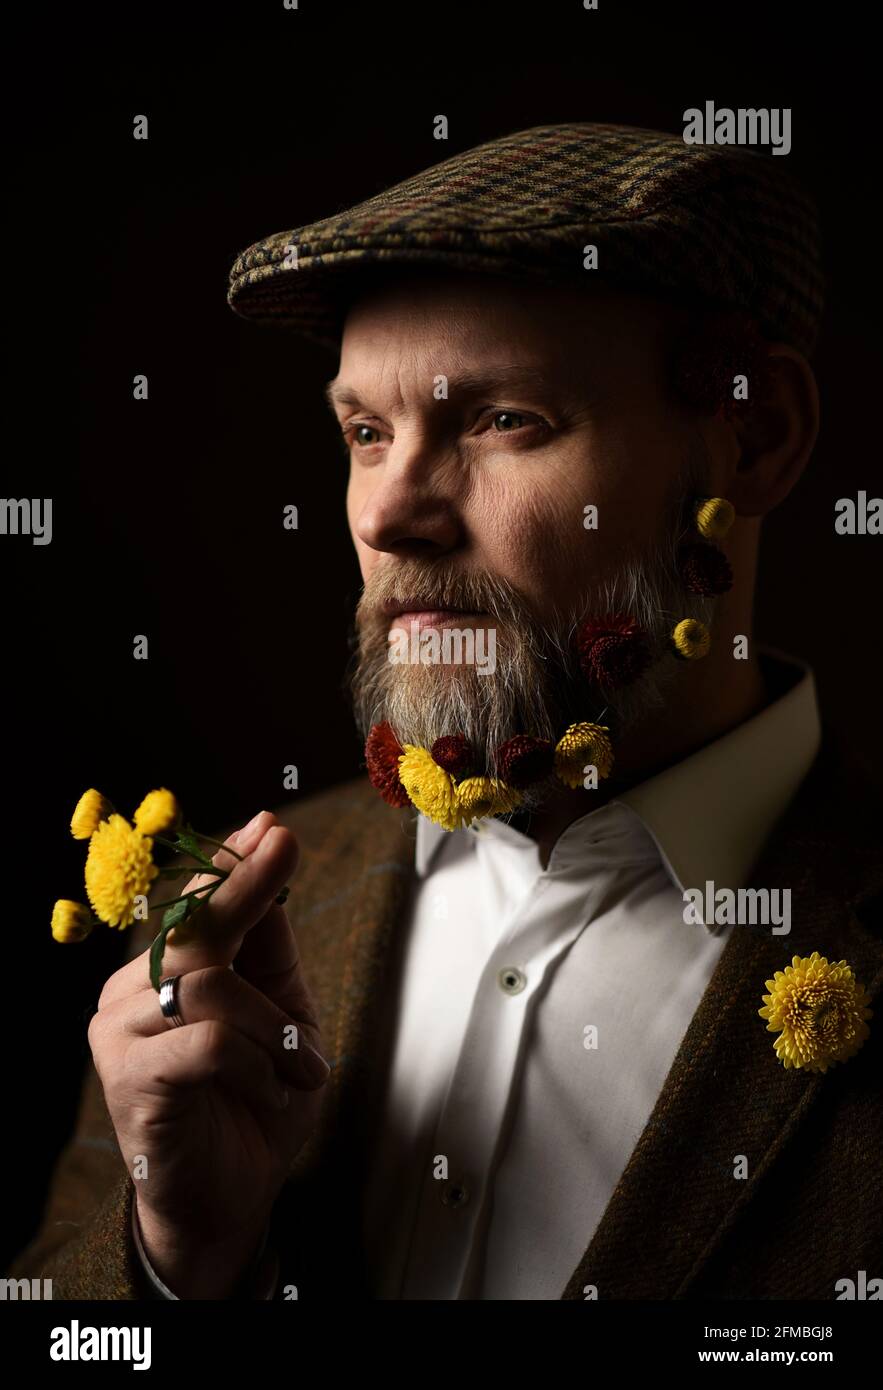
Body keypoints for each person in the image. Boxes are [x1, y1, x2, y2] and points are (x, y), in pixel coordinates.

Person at [9, 122, 881, 1300]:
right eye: (366, 433)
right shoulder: (215, 934)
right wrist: (175, 1264)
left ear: (753, 434)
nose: (388, 514)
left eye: (500, 418)